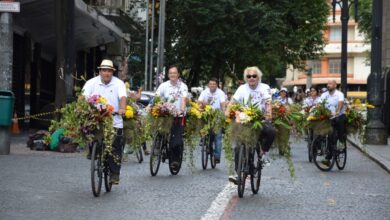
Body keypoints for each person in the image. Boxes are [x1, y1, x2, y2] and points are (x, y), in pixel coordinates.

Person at [225, 66, 276, 184]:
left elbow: (268, 102)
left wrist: (268, 115)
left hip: (260, 119)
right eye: (249, 76)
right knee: (238, 146)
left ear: (258, 77)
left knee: (271, 132)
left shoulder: (265, 87)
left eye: (254, 76)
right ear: (246, 78)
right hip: (244, 121)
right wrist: (227, 111)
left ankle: (263, 154)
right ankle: (239, 174)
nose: (251, 78)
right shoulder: (242, 88)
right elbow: (233, 101)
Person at [82, 59, 127, 185]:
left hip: (114, 119)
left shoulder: (119, 84)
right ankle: (93, 150)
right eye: (104, 70)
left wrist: (122, 108)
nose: (106, 73)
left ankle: (114, 174)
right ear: (100, 71)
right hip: (97, 118)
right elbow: (83, 97)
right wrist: (82, 107)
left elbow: (123, 97)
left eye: (109, 71)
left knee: (115, 147)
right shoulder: (91, 83)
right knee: (88, 130)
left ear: (112, 72)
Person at [155, 65, 188, 171]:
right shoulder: (163, 86)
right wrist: (153, 106)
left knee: (176, 140)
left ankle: (175, 160)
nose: (172, 75)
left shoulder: (183, 86)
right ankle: (158, 144)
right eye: (170, 73)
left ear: (178, 75)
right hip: (166, 114)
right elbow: (157, 98)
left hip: (178, 116)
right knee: (158, 129)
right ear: (168, 75)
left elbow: (183, 99)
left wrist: (181, 110)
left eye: (175, 73)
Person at [197, 77, 227, 163]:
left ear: (217, 85)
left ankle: (217, 156)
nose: (212, 86)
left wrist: (223, 113)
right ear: (208, 85)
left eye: (214, 84)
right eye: (210, 84)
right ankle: (203, 138)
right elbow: (199, 101)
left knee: (217, 136)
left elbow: (222, 104)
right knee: (200, 122)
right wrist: (199, 107)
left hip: (217, 115)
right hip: (206, 114)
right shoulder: (204, 92)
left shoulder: (220, 93)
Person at [320, 80, 347, 162]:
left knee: (340, 122)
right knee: (330, 136)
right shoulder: (324, 95)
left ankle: (341, 141)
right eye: (327, 84)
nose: (328, 85)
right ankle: (329, 155)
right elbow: (320, 104)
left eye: (330, 84)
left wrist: (338, 111)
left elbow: (341, 102)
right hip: (329, 117)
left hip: (339, 115)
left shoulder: (339, 94)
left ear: (335, 85)